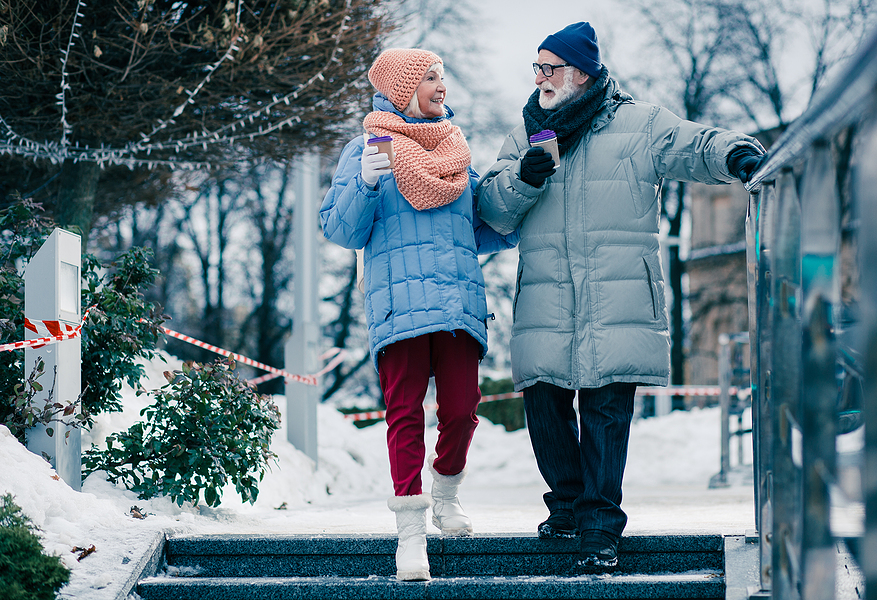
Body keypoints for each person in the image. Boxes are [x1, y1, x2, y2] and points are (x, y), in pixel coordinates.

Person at [475, 22, 766, 574]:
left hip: (619, 293)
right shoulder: (526, 134)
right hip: (547, 299)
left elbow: (695, 143)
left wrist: (737, 155)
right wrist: (525, 177)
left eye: (549, 67)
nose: (539, 78)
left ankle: (600, 530)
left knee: (606, 413)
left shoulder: (640, 123)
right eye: (536, 68)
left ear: (580, 72)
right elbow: (492, 208)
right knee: (544, 405)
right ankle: (566, 506)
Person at [320, 48, 518, 582]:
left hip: (456, 303)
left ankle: (446, 494)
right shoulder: (365, 149)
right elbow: (340, 232)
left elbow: (485, 227)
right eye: (429, 77)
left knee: (461, 409)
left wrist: (524, 191)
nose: (441, 86)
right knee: (404, 415)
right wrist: (363, 182)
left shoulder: (455, 149)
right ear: (403, 87)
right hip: (398, 304)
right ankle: (410, 533)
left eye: (443, 77)